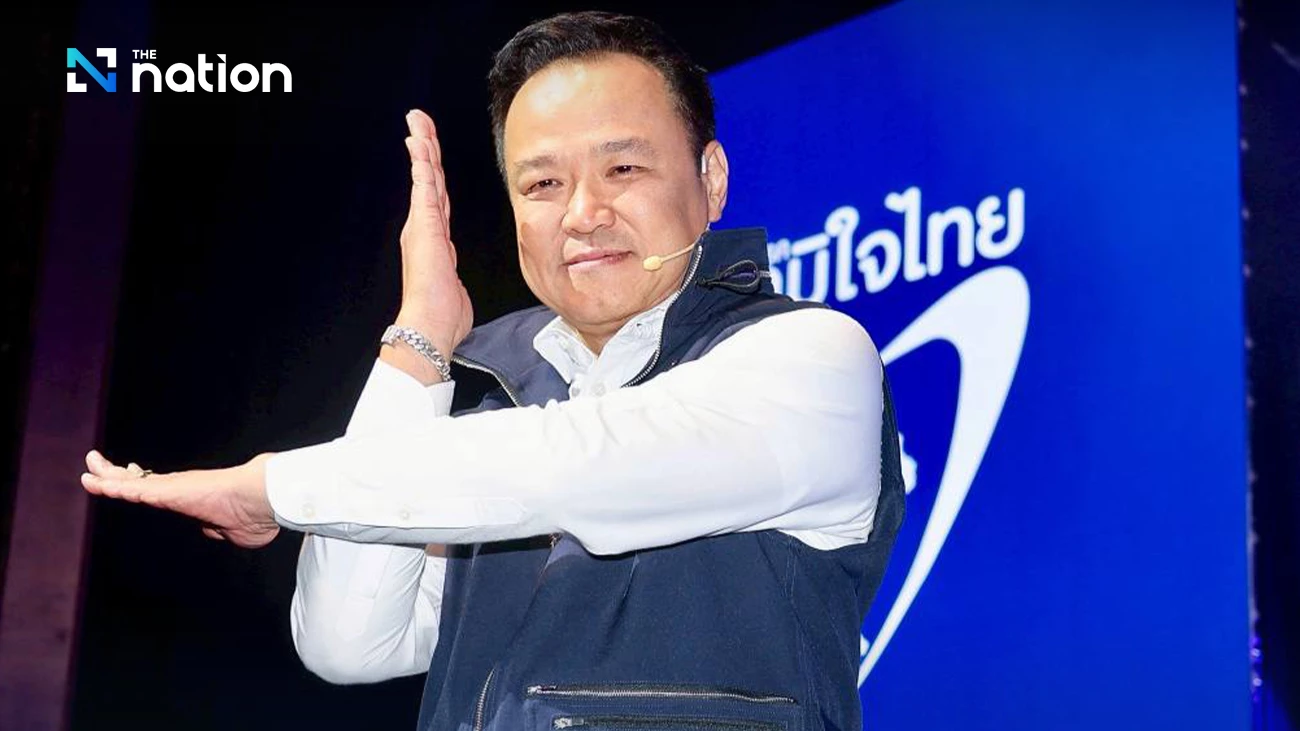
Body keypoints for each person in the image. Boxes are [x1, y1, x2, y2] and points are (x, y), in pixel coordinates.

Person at [82, 11, 905, 731]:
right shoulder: (488, 423)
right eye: (542, 182)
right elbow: (346, 639)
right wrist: (419, 338)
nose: (583, 213)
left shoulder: (809, 357)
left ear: (711, 181)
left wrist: (269, 486)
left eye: (623, 168)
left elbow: (576, 462)